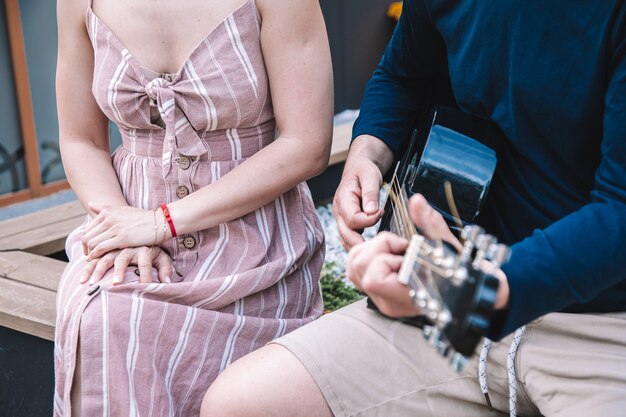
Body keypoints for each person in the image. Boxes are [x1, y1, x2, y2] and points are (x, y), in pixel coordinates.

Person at [199, 1, 626, 416]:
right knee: (239, 403)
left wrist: (478, 293)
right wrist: (367, 155)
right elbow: (402, 75)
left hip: (603, 327)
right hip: (449, 303)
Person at [54, 0, 332, 415]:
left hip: (253, 237)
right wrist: (120, 228)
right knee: (101, 316)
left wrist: (160, 223)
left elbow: (306, 143)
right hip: (127, 217)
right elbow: (82, 139)